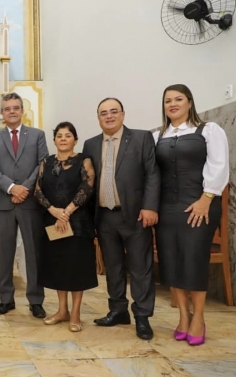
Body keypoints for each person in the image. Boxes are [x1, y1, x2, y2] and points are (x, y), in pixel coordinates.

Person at [153, 84, 229, 346]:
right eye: (167, 101)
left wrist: (205, 199)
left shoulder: (209, 130)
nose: (172, 104)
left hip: (199, 205)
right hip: (166, 208)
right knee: (171, 261)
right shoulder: (157, 136)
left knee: (194, 260)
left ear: (189, 102)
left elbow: (219, 165)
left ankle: (199, 319)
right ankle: (184, 317)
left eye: (178, 99)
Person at [83, 97, 160, 340]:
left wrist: (149, 207)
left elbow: (152, 174)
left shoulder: (141, 138)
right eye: (103, 113)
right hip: (104, 216)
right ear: (98, 118)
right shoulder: (90, 144)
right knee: (113, 268)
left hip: (135, 215)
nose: (109, 116)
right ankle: (118, 310)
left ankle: (142, 316)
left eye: (113, 111)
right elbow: (87, 182)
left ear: (123, 114)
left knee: (140, 268)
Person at [0, 92, 48, 319]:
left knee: (33, 252)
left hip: (30, 201)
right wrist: (12, 188)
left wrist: (25, 189)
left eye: (15, 107)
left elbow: (43, 163)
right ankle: (6, 299)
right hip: (4, 201)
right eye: (7, 108)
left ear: (22, 110)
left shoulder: (37, 135)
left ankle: (36, 300)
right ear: (2, 113)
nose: (11, 111)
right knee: (4, 252)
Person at [34, 122, 97, 332]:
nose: (63, 139)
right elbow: (38, 190)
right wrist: (53, 211)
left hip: (78, 223)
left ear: (75, 139)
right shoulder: (46, 162)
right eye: (59, 135)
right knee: (59, 266)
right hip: (54, 222)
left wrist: (67, 212)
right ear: (54, 141)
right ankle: (62, 310)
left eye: (68, 135)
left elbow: (86, 188)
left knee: (76, 268)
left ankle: (76, 313)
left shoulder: (83, 161)